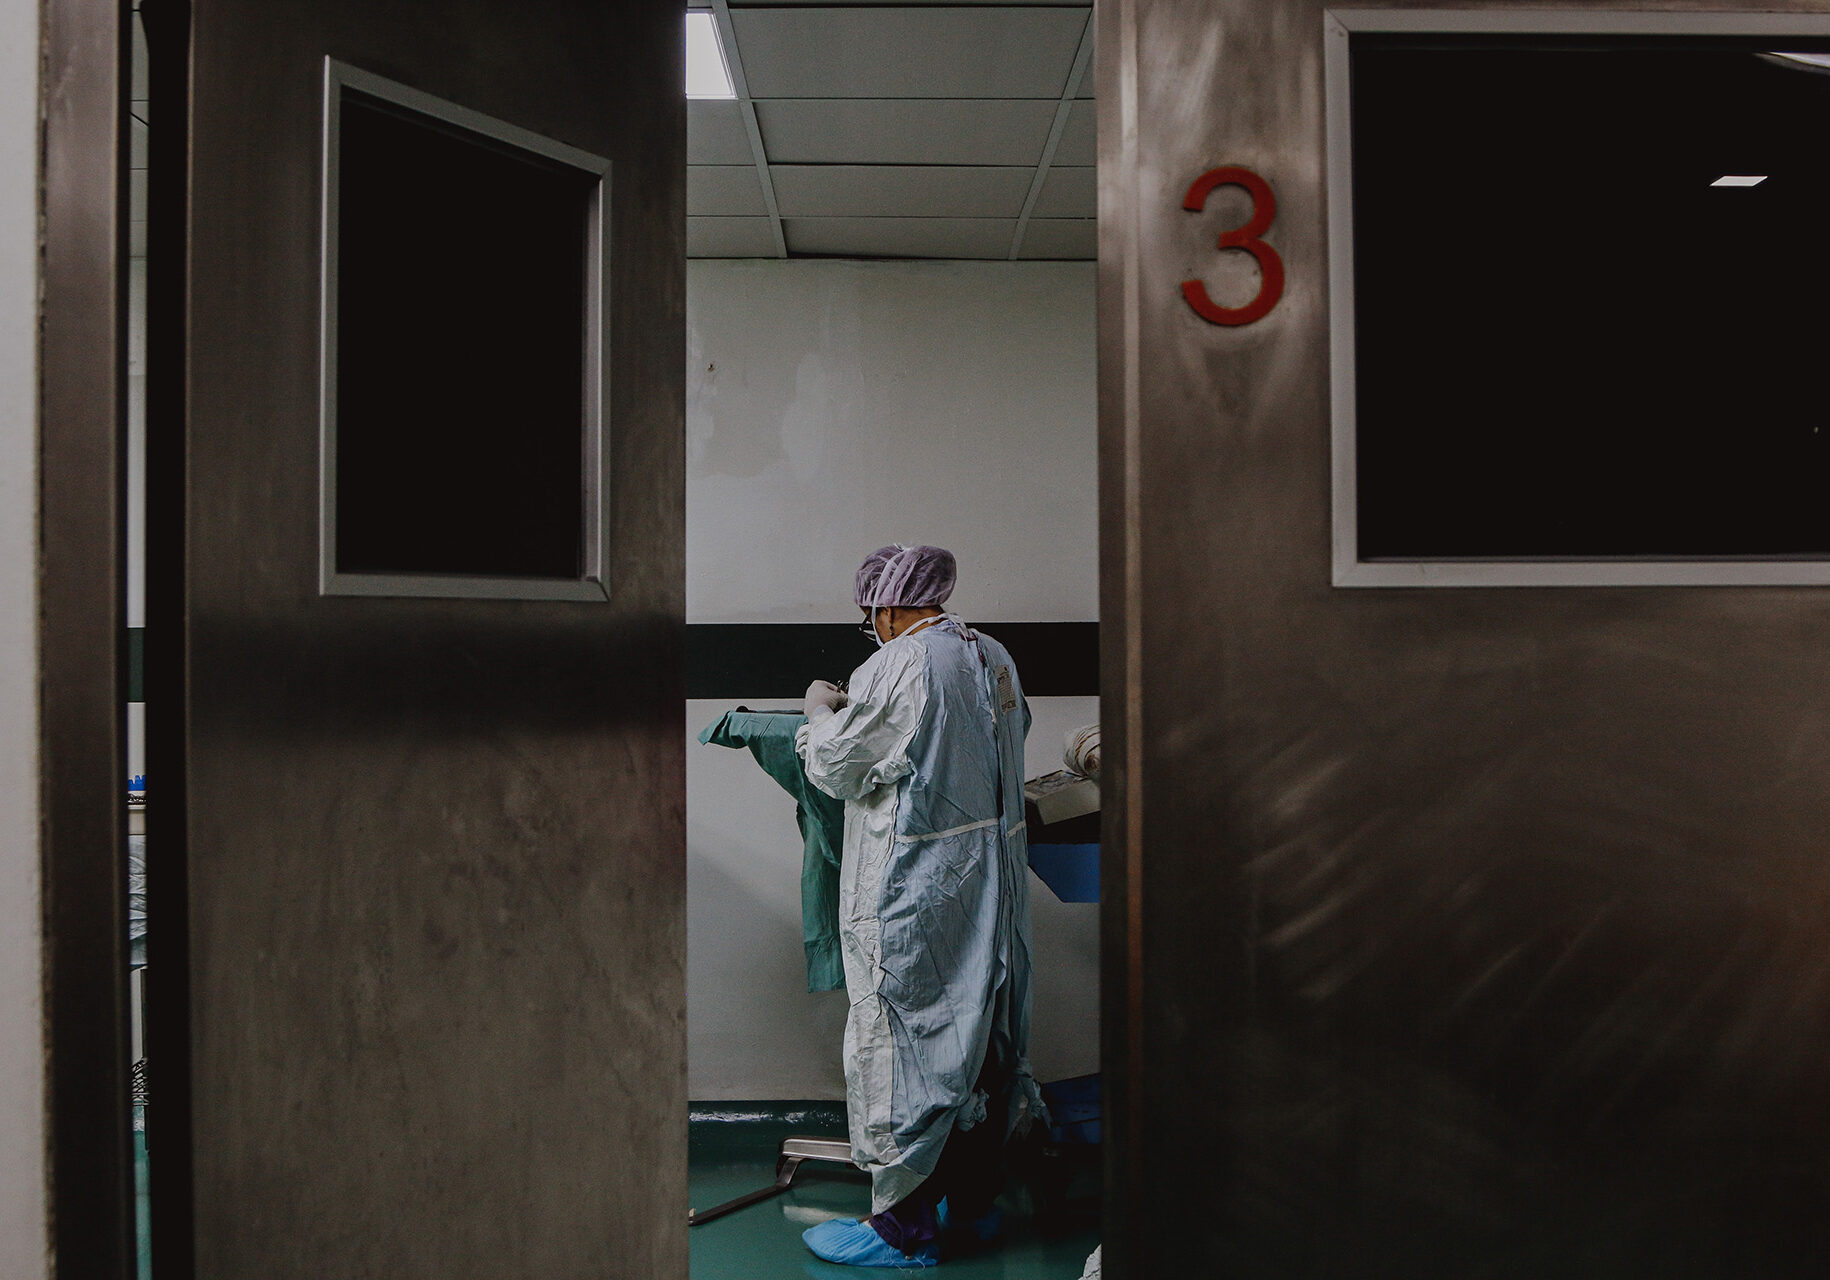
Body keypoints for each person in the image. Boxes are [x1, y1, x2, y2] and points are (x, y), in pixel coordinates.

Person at [795, 543, 1043, 1268]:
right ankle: (972, 1207)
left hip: (918, 887)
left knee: (906, 1040)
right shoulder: (991, 653)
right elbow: (1009, 735)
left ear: (889, 602)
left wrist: (819, 706)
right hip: (991, 883)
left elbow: (840, 762)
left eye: (868, 609)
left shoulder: (898, 662)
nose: (867, 621)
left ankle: (901, 1229)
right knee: (983, 1037)